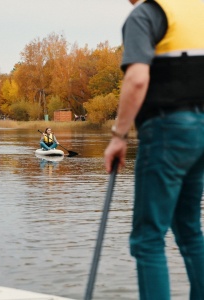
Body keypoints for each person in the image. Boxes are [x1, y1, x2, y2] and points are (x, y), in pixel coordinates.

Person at [104, 0, 204, 299]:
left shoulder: (145, 14)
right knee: (189, 232)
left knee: (147, 239)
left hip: (168, 130)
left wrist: (118, 136)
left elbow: (136, 80)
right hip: (201, 132)